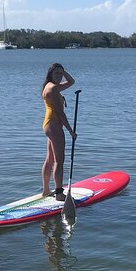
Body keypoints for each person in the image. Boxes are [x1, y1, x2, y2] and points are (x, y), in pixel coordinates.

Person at [41, 63, 77, 201]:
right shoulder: (54, 88)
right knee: (59, 161)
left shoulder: (48, 86)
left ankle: (45, 190)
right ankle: (59, 193)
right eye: (56, 73)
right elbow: (60, 113)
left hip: (48, 124)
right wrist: (71, 131)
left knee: (50, 159)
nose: (59, 76)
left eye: (60, 74)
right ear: (50, 74)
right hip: (54, 125)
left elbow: (71, 81)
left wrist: (63, 71)